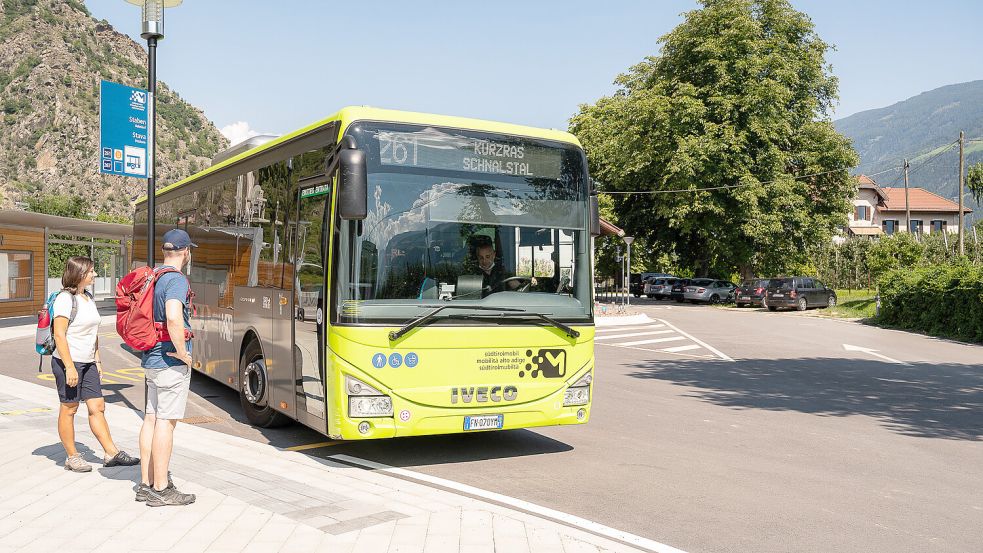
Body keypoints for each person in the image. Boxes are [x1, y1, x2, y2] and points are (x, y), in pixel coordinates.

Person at [52, 256, 139, 472]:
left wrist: (97, 360)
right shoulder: (64, 299)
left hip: (88, 362)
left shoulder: (88, 297)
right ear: (80, 273)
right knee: (69, 408)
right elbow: (59, 335)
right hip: (68, 362)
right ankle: (72, 456)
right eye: (91, 271)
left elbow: (94, 333)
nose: (95, 275)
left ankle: (111, 453)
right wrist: (70, 366)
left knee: (97, 406)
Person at [135, 229, 197, 507]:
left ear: (165, 252)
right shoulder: (175, 280)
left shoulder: (154, 277)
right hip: (169, 361)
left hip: (151, 358)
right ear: (186, 252)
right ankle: (161, 488)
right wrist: (183, 354)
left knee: (151, 418)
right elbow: (173, 317)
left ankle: (146, 484)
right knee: (166, 423)